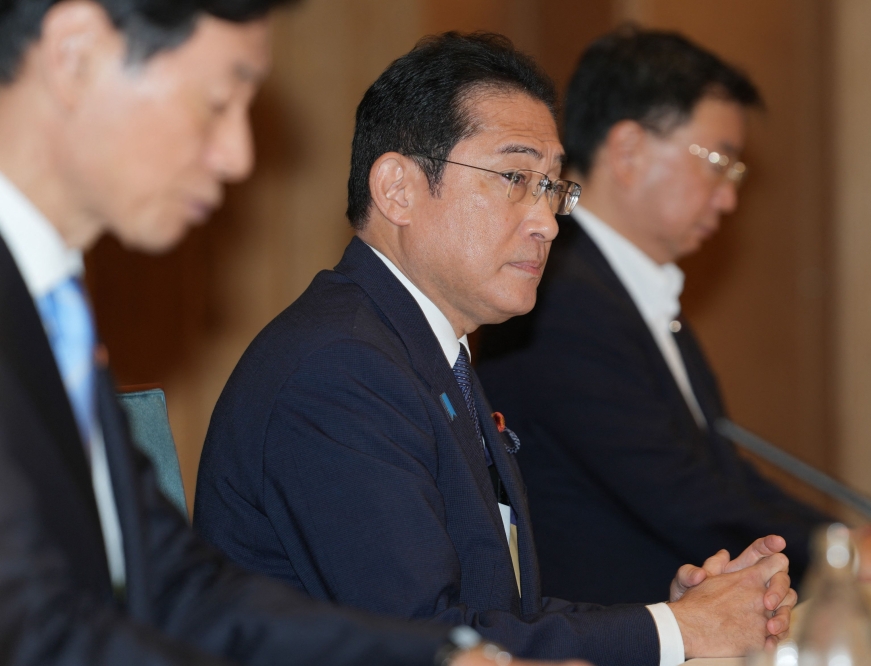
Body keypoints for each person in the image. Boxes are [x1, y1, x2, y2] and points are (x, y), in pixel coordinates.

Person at [194, 31, 798, 666]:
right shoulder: (340, 369)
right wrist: (676, 631)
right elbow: (433, 641)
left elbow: (499, 615)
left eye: (552, 187)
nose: (546, 220)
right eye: (514, 177)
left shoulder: (423, 349)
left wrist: (675, 613)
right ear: (398, 188)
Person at [0, 2, 577, 665]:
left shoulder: (52, 309)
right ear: (74, 55)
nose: (238, 156)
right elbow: (41, 630)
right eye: (217, 101)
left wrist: (439, 657)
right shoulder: (339, 359)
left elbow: (180, 588)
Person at [475, 27, 871, 607]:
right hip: (608, 630)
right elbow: (679, 495)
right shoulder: (559, 298)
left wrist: (841, 538)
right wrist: (837, 553)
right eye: (718, 162)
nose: (728, 198)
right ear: (629, 151)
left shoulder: (630, 288)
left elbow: (719, 471)